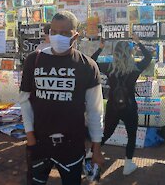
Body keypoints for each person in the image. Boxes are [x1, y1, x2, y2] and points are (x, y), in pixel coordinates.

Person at [19, 11, 104, 184]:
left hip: (72, 147)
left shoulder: (87, 66)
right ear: (49, 33)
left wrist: (96, 148)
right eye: (54, 32)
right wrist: (30, 138)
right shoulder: (33, 60)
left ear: (75, 36)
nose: (58, 37)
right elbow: (25, 101)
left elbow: (95, 111)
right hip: (39, 144)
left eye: (64, 33)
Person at [90, 34, 152, 175]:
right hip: (130, 106)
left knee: (106, 133)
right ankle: (128, 165)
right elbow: (148, 57)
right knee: (131, 135)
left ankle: (90, 153)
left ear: (115, 52)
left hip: (112, 106)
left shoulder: (109, 67)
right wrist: (139, 42)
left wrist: (100, 48)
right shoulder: (135, 68)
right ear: (130, 52)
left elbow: (90, 62)